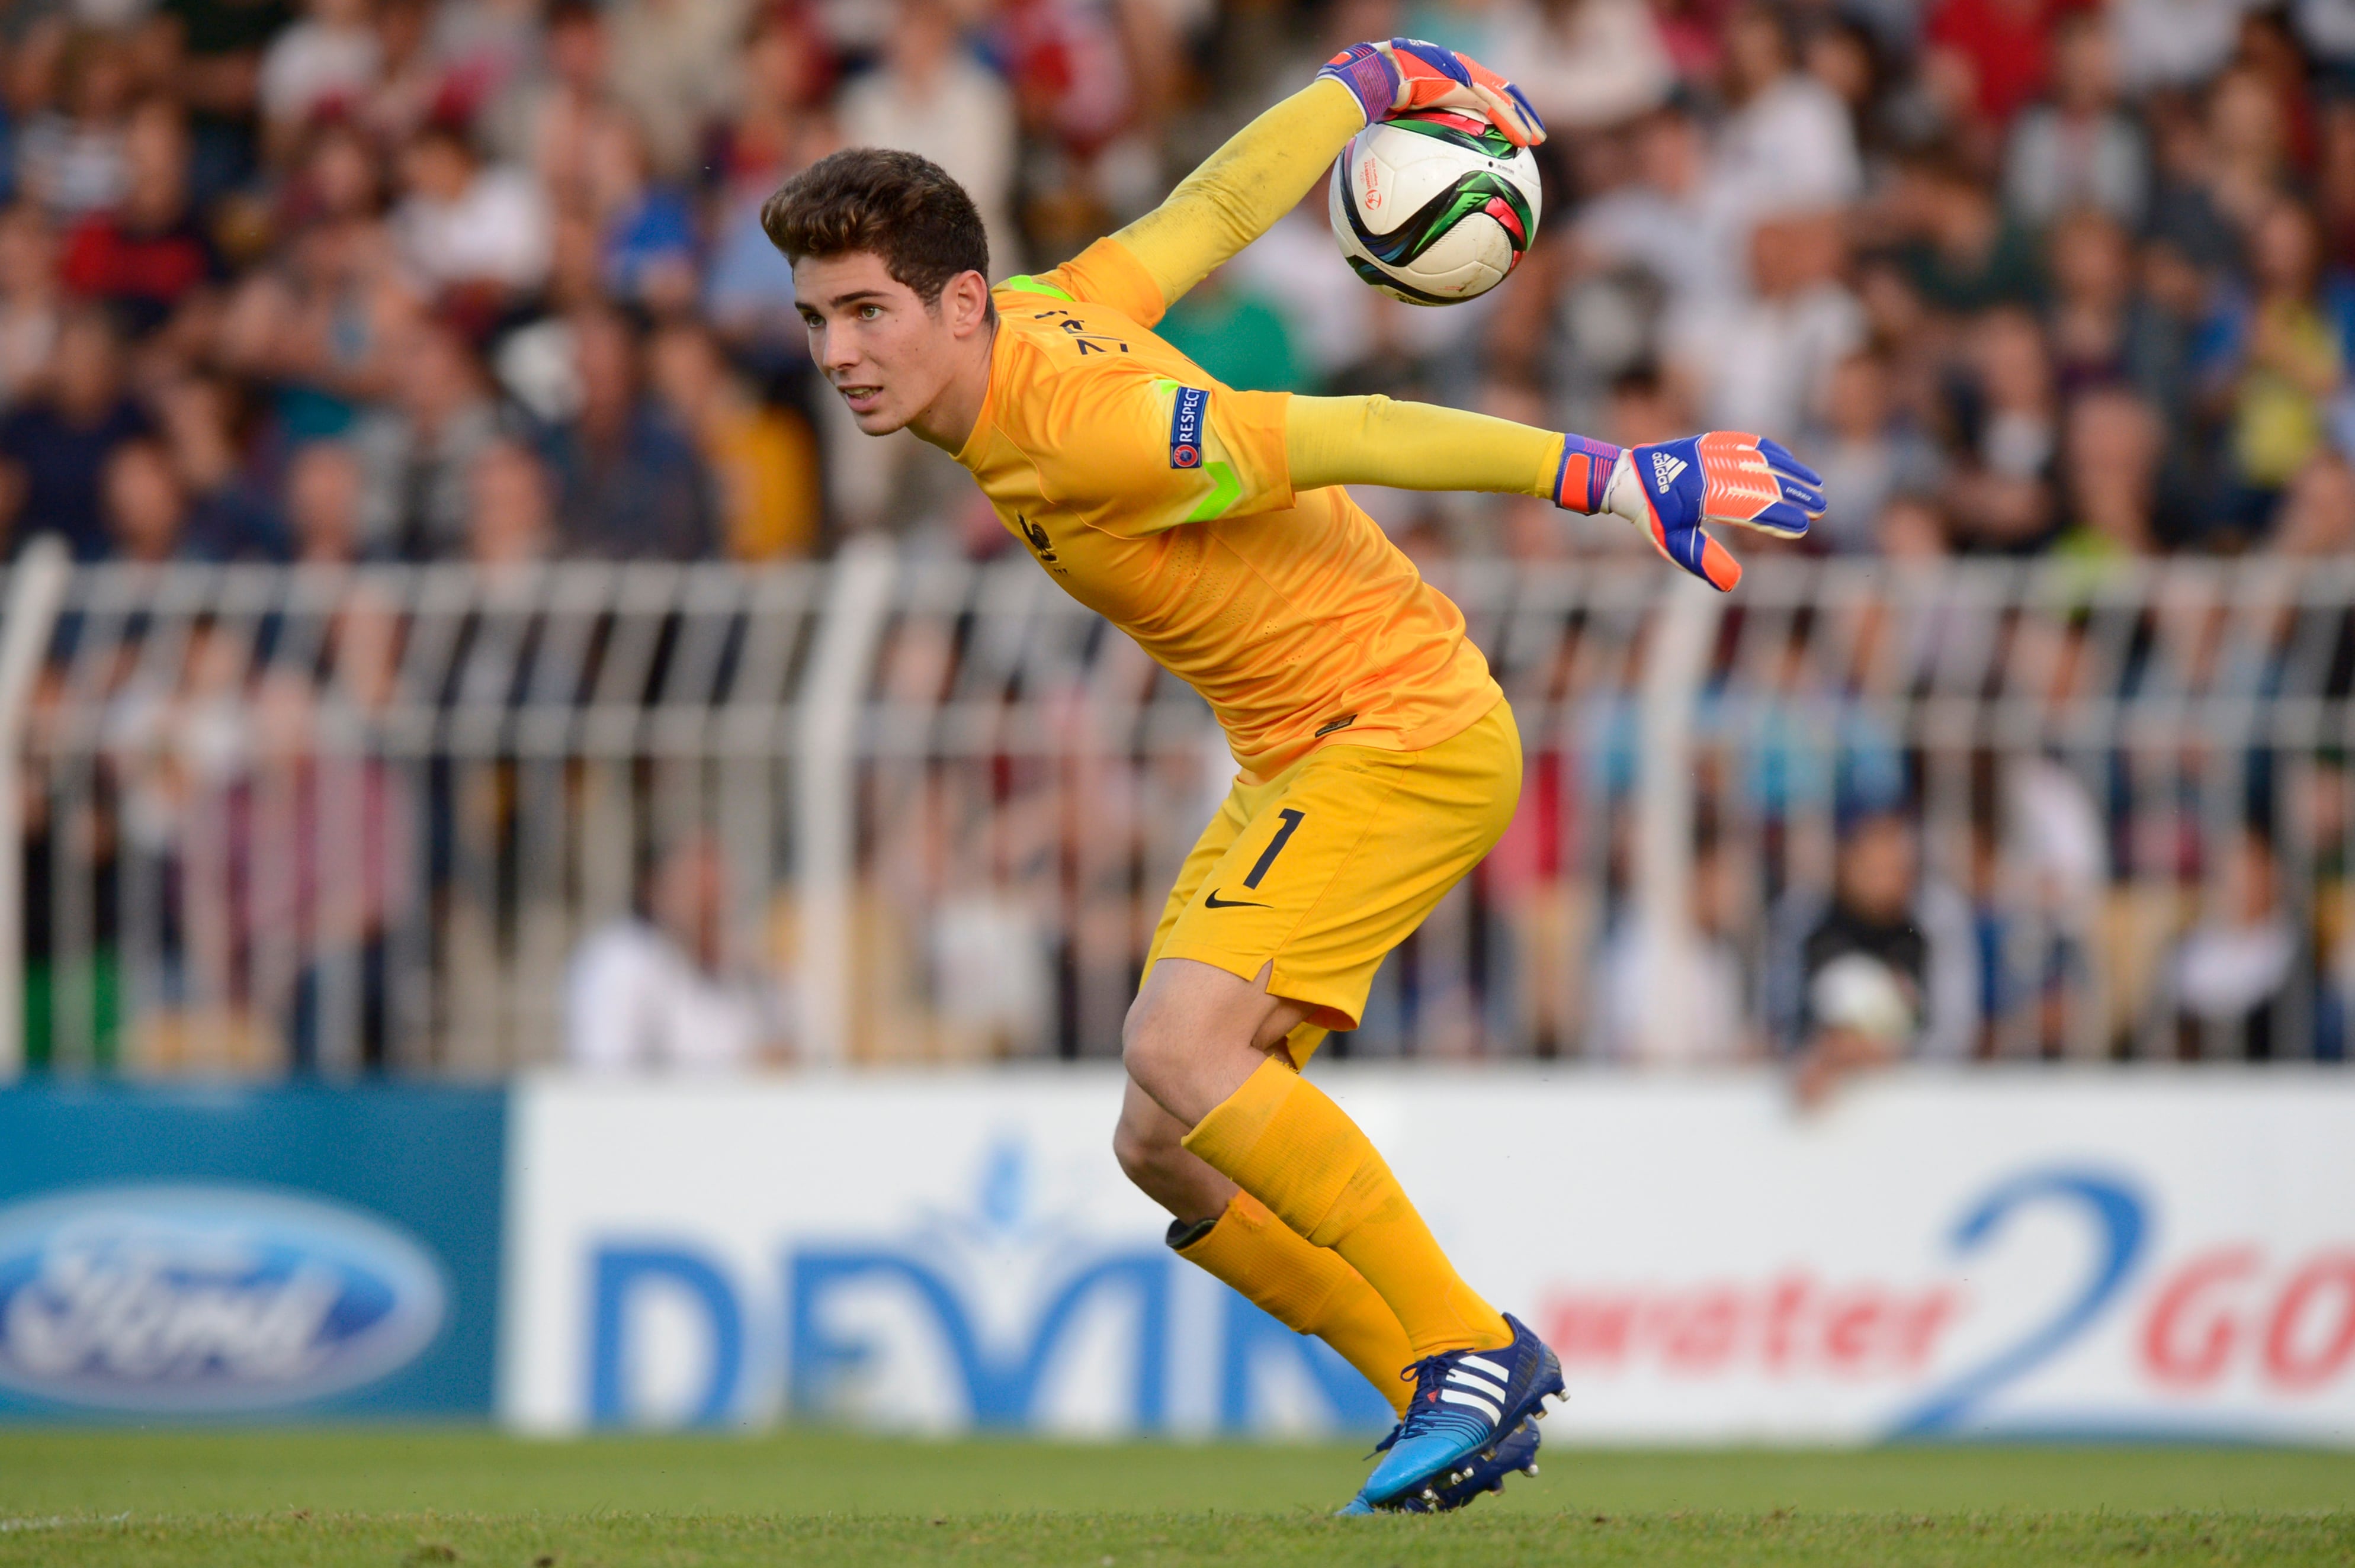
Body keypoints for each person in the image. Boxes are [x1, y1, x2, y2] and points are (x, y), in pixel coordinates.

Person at [761, 37, 1823, 1512]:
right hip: (1298, 753)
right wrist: (1372, 79)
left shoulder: (1089, 431)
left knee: (1186, 1051)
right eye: (816, 319)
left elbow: (1353, 433)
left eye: (866, 314)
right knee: (1159, 1140)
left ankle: (1465, 1348)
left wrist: (1613, 476)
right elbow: (1211, 206)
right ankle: (1427, 1389)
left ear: (958, 303)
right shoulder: (1052, 310)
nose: (837, 355)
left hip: (1396, 729)